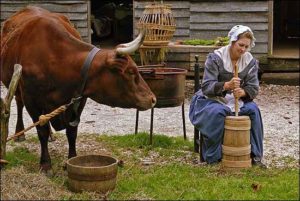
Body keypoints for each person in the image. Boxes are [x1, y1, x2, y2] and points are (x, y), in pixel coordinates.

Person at [189, 25, 266, 168]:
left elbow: (253, 88)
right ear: (232, 41)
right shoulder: (216, 58)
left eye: (246, 46)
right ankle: (212, 158)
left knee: (254, 111)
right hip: (212, 99)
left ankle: (256, 156)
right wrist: (226, 86)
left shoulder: (250, 62)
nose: (243, 49)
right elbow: (206, 87)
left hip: (238, 101)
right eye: (240, 45)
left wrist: (243, 92)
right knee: (218, 113)